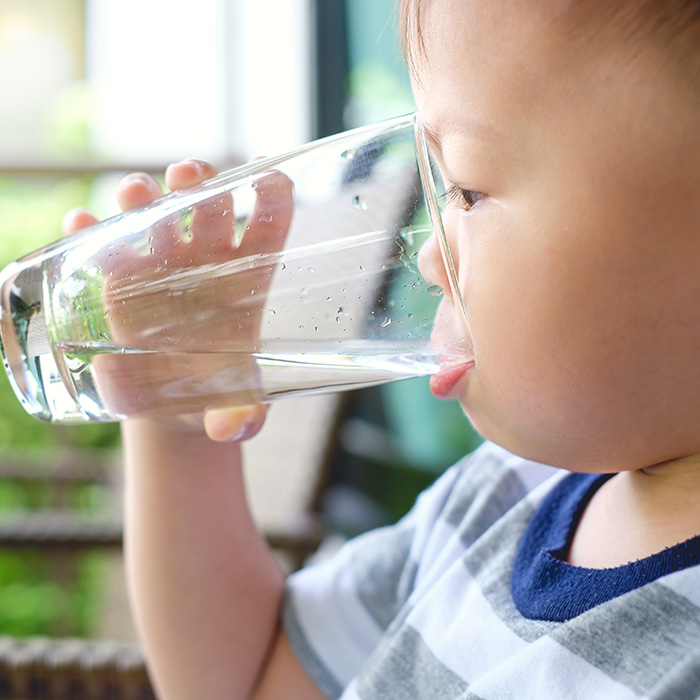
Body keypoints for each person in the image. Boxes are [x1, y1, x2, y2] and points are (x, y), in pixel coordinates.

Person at [62, 0, 700, 697]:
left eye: (465, 189)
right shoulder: (495, 499)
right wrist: (179, 428)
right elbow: (244, 683)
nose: (429, 258)